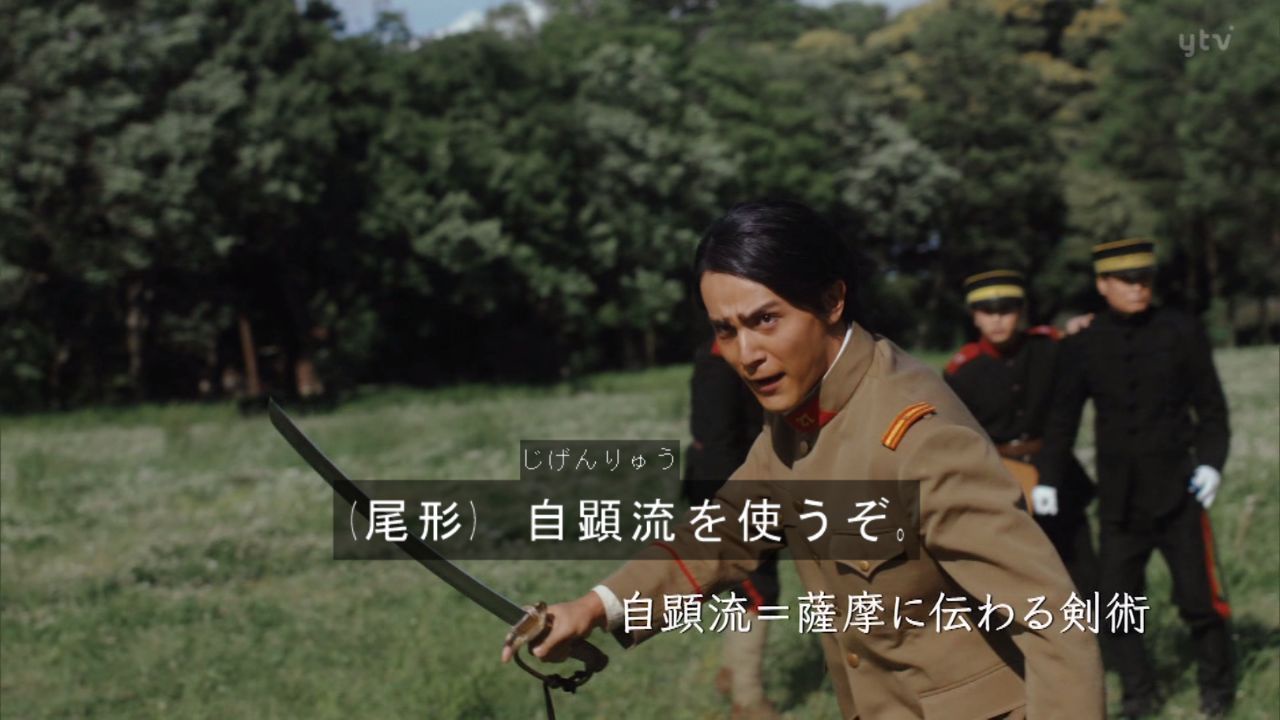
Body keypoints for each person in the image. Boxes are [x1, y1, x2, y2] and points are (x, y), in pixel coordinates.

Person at [502, 200, 1104, 719]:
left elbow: (1055, 620)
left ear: (832, 300)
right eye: (726, 330)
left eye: (766, 320)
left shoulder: (917, 437)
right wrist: (594, 607)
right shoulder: (803, 412)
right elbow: (728, 528)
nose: (747, 354)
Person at [1039, 238, 1234, 718]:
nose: (1138, 287)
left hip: (1178, 492)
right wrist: (1047, 478)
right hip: (1120, 501)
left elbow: (1212, 410)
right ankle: (1138, 694)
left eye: (1144, 278)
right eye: (1126, 280)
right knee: (1118, 605)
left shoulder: (1182, 331)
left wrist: (1211, 463)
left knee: (1199, 599)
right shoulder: (1082, 344)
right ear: (1103, 284)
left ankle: (1218, 689)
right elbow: (1062, 419)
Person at [944, 269, 1097, 595]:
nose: (998, 319)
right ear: (975, 317)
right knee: (1014, 586)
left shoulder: (1049, 349)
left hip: (1057, 471)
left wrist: (1083, 328)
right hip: (998, 481)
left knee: (1084, 579)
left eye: (1007, 310)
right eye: (988, 311)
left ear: (1021, 311)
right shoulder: (963, 372)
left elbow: (1062, 414)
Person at [683, 337, 779, 720]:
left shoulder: (732, 351)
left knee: (746, 588)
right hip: (732, 490)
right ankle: (749, 700)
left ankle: (731, 674)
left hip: (750, 484)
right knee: (758, 591)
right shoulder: (720, 361)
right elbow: (717, 444)